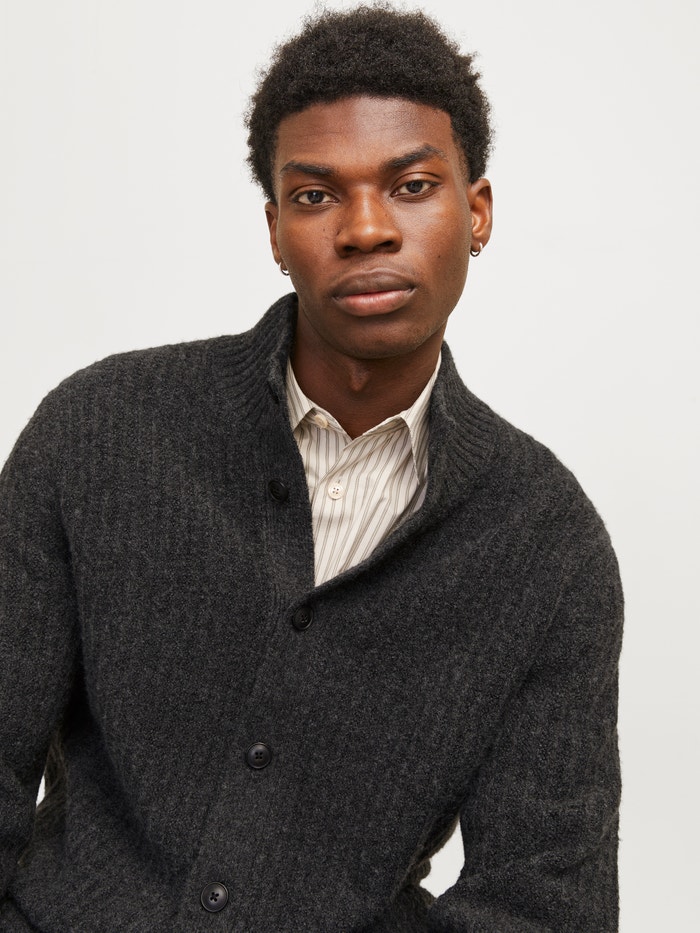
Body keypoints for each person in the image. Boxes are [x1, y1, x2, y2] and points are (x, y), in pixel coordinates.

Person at [0, 5, 623, 931]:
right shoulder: (96, 431)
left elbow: (546, 901)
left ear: (477, 211)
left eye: (412, 186)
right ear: (274, 230)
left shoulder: (549, 546)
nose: (366, 228)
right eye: (316, 195)